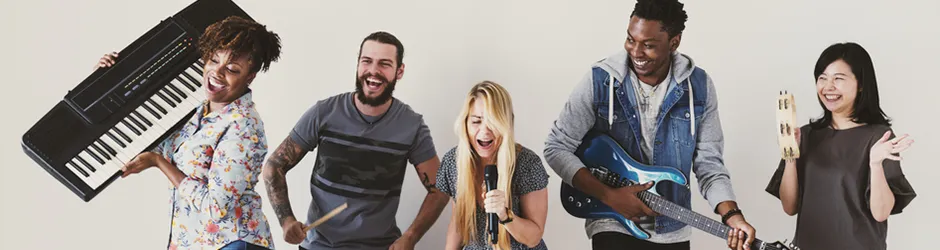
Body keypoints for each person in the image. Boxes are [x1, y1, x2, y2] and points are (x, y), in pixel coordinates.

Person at [543, 0, 756, 249]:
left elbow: (709, 165)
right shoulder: (600, 80)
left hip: (673, 228)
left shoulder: (699, 87)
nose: (635, 51)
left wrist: (732, 214)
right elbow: (556, 147)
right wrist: (609, 196)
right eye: (631, 39)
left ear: (674, 42)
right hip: (612, 223)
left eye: (649, 45)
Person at [100, 15, 283, 250]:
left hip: (232, 243)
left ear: (250, 77)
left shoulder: (244, 127)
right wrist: (104, 80)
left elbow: (215, 208)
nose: (217, 72)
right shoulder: (198, 110)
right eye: (214, 60)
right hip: (192, 241)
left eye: (232, 69)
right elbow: (146, 139)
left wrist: (159, 162)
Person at [260, 31, 449, 250]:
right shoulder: (324, 113)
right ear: (358, 64)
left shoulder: (411, 125)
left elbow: (441, 188)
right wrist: (286, 220)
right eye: (366, 61)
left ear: (399, 71)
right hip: (319, 246)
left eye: (384, 64)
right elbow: (274, 167)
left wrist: (411, 236)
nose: (373, 71)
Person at [765, 42, 916, 250]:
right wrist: (790, 152)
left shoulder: (880, 138)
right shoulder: (806, 135)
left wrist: (875, 164)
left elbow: (881, 213)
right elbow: (789, 207)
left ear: (860, 83)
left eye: (839, 79)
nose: (828, 87)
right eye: (822, 78)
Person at [437, 81, 550, 250]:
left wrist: (504, 214)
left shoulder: (527, 163)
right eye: (476, 121)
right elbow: (458, 223)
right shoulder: (454, 161)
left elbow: (533, 238)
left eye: (493, 122)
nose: (484, 131)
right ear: (465, 123)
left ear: (506, 124)